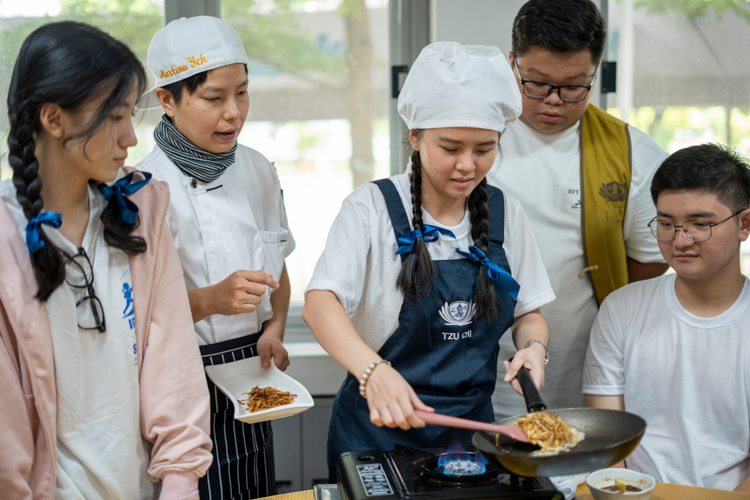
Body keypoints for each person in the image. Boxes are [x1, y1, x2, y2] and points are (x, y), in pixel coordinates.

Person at [302, 41, 556, 481]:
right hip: (377, 430)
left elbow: (528, 312)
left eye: (484, 149)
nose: (467, 166)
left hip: (471, 434)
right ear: (415, 136)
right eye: (451, 147)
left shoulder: (503, 211)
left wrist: (534, 347)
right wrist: (373, 371)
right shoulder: (370, 208)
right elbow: (319, 303)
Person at [0, 21, 212, 499]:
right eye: (115, 117)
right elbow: (6, 436)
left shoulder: (141, 210)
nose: (131, 139)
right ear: (54, 120)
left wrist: (180, 484)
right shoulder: (6, 240)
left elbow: (172, 366)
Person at [136, 16, 295, 499]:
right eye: (213, 98)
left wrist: (275, 328)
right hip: (180, 380)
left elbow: (279, 262)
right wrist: (210, 300)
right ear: (167, 98)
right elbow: (138, 319)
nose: (234, 113)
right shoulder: (143, 189)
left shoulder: (257, 168)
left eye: (242, 93)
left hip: (253, 377)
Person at [489, 0, 669, 418]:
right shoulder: (473, 137)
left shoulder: (631, 154)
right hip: (475, 368)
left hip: (589, 369)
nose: (553, 101)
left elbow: (647, 261)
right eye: (535, 82)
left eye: (574, 86)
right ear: (512, 63)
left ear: (596, 71)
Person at [583, 143, 750, 492]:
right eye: (666, 223)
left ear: (744, 224)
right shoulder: (622, 309)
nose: (680, 241)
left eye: (700, 224)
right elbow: (608, 443)